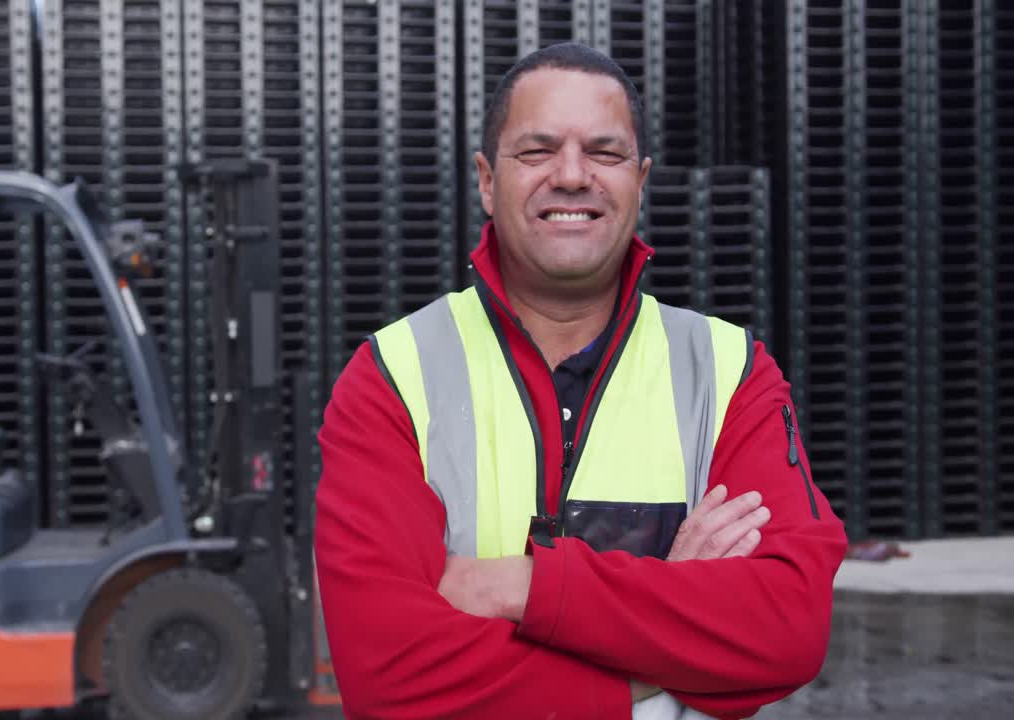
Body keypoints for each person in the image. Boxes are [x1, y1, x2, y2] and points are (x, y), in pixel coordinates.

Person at [313, 42, 848, 720]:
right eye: (537, 151)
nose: (571, 175)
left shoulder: (726, 370)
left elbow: (787, 629)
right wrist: (659, 651)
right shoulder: (394, 378)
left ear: (640, 180)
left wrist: (525, 587)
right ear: (485, 179)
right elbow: (389, 677)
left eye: (605, 152)